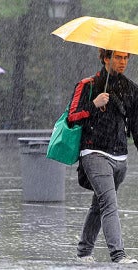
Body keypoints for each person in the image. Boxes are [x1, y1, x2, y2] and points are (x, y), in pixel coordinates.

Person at [68, 49, 138, 264]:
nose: (123, 62)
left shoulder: (131, 89)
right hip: (94, 153)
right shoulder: (88, 85)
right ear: (105, 58)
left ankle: (83, 252)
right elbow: (72, 118)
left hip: (119, 157)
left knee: (99, 205)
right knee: (109, 203)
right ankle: (118, 254)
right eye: (118, 57)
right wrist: (94, 105)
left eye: (126, 57)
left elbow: (136, 125)